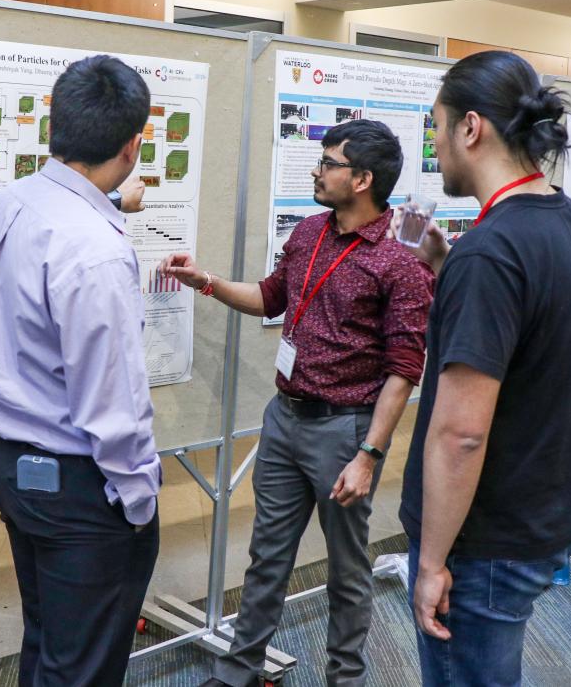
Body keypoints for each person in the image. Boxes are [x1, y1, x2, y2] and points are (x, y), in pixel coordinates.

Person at [161, 118, 434, 687]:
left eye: (329, 163)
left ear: (362, 179)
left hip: (345, 431)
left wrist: (368, 455)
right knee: (267, 557)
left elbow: (404, 370)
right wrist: (204, 281)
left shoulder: (400, 259)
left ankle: (345, 679)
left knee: (347, 569)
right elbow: (269, 298)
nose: (316, 170)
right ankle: (239, 672)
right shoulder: (310, 231)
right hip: (284, 418)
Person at [396, 51, 571, 687]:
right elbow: (527, 341)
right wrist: (446, 266)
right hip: (545, 512)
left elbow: (461, 433)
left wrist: (431, 563)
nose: (435, 145)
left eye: (437, 127)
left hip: (485, 541)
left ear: (471, 127)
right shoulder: (568, 219)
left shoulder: (490, 253)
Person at [0, 54, 160, 687]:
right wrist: (138, 499)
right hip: (77, 487)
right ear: (132, 145)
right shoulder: (95, 250)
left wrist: (113, 206)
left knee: (50, 638)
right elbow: (113, 402)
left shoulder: (10, 203)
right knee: (82, 666)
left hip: (6, 458)